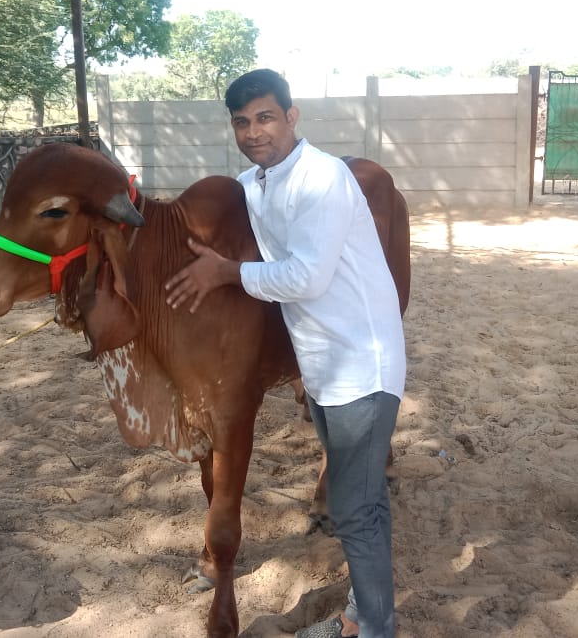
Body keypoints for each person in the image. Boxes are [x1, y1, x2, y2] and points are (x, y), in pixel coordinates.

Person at [164, 68, 407, 638]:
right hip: (321, 366)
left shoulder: (322, 178)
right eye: (242, 122)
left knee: (355, 509)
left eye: (266, 117)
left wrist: (226, 272)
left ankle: (372, 627)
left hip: (361, 364)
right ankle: (363, 615)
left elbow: (307, 277)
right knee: (358, 496)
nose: (254, 132)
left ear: (292, 117)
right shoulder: (256, 182)